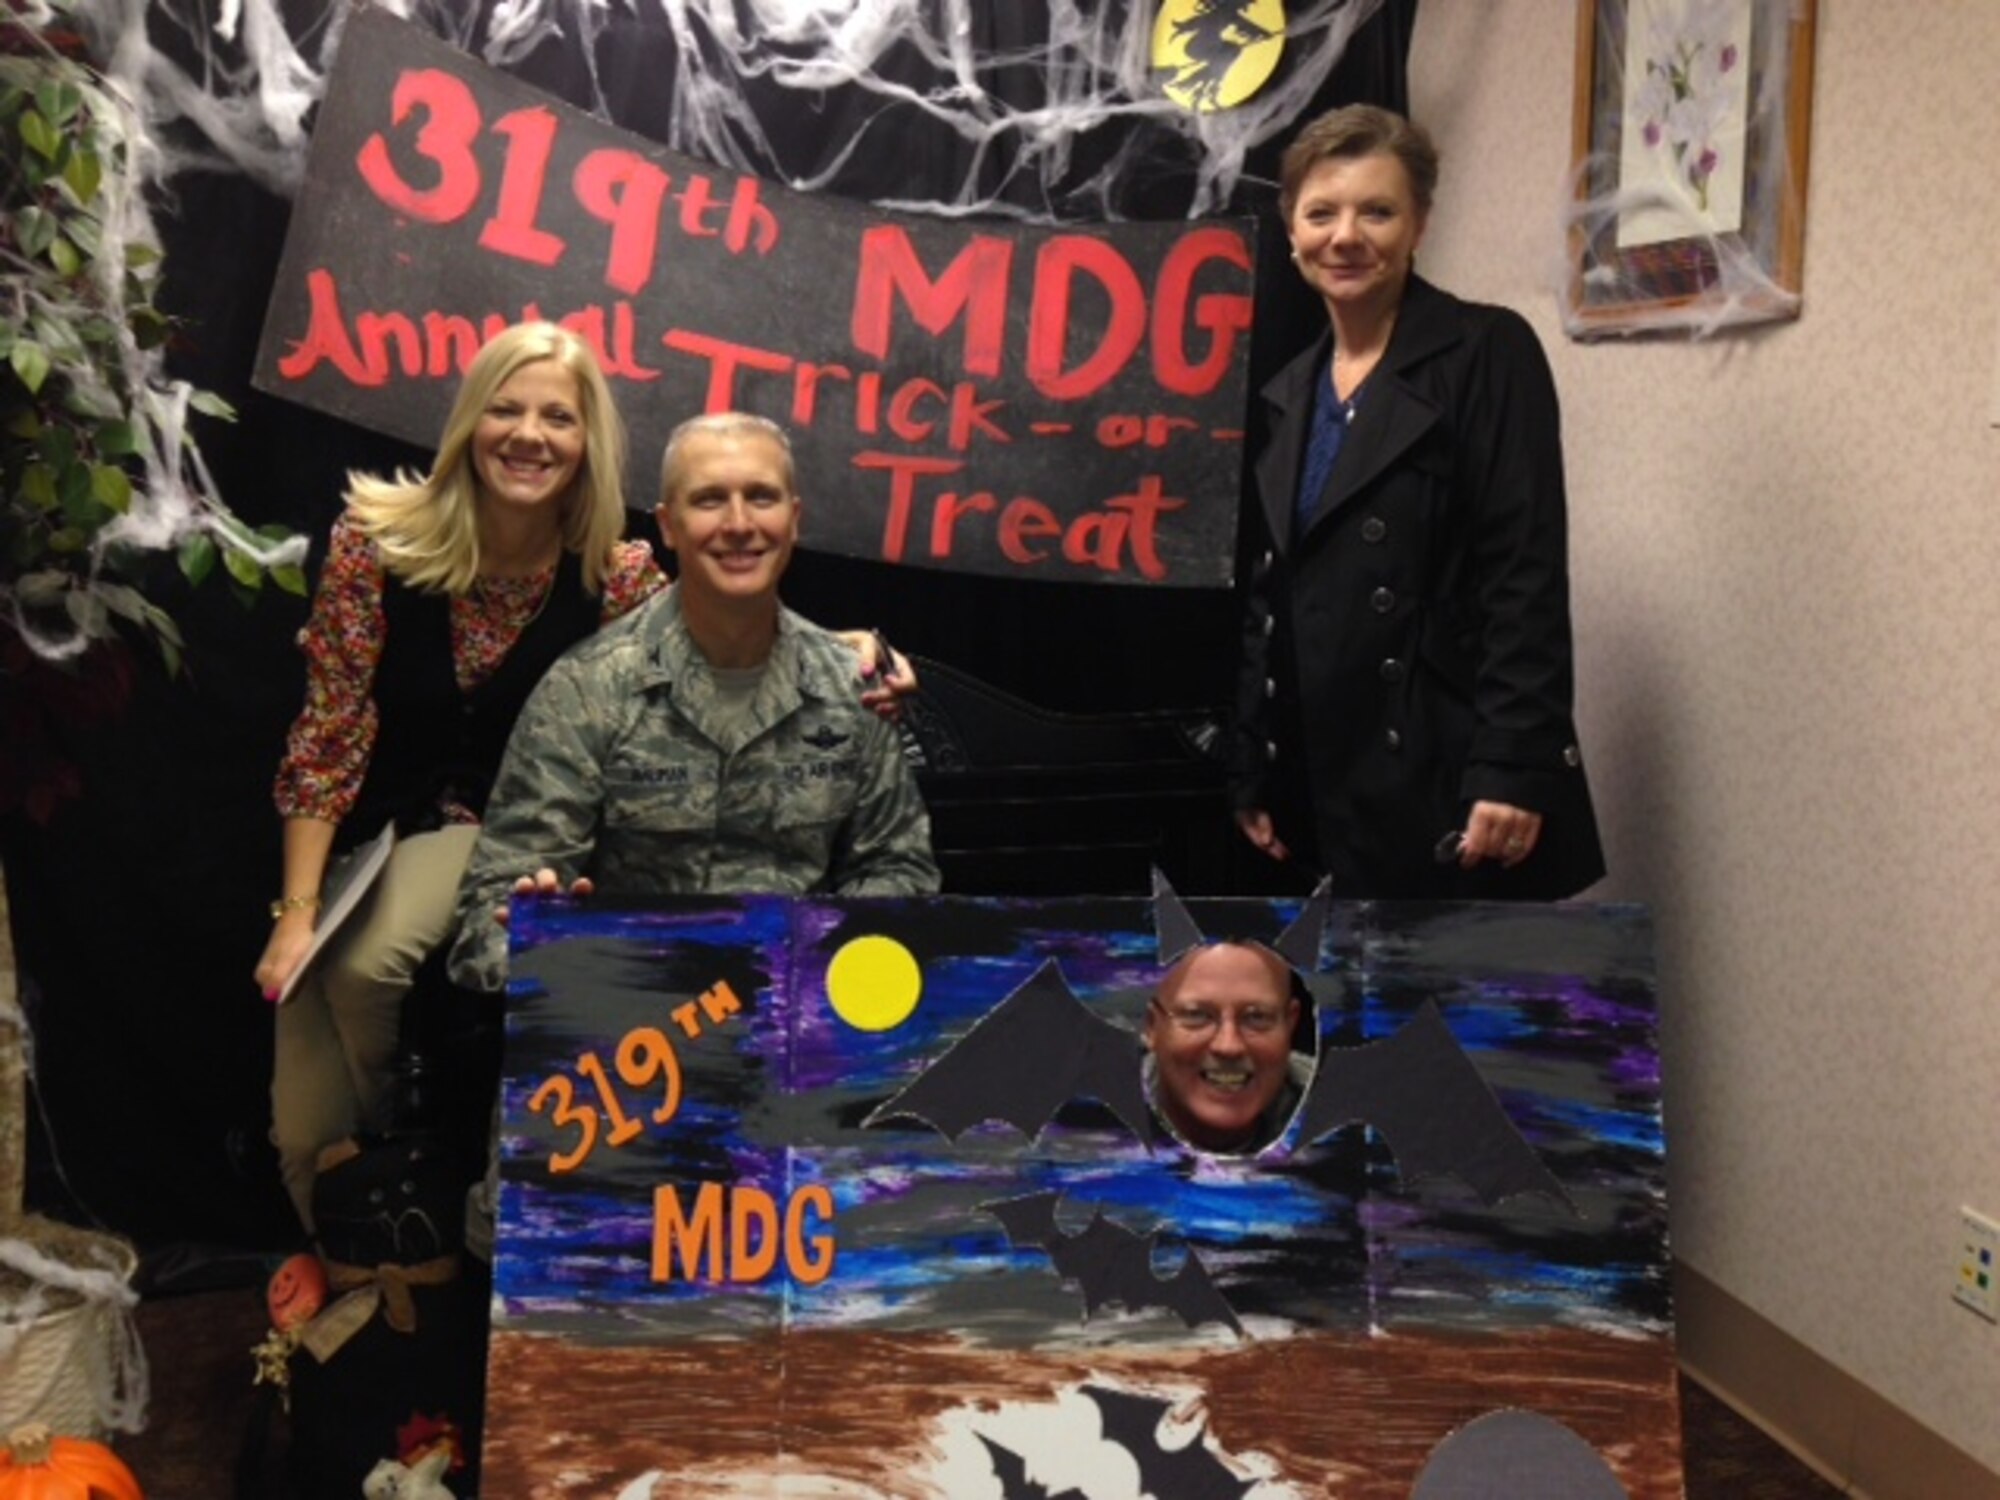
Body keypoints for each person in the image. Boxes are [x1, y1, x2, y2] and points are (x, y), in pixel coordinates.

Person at [255, 327, 906, 1230]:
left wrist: (847, 652)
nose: (530, 435)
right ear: (468, 423)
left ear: (587, 439)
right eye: (506, 409)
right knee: (299, 1095)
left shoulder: (614, 567)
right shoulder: (376, 543)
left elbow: (724, 622)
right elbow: (328, 727)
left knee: (365, 970)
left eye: (557, 416)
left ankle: (383, 1196)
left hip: (497, 830)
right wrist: (294, 916)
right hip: (369, 830)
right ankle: (344, 1256)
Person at [1232, 105, 1603, 900]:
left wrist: (1513, 762)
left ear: (1420, 224)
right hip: (1321, 781)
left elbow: (1524, 573)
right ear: (1291, 229)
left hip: (1447, 772)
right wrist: (1254, 763)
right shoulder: (1289, 391)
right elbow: (1275, 600)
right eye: (1321, 212)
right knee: (1343, 1019)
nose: (1346, 236)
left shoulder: (1487, 352)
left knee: (1459, 1018)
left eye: (1378, 210)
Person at [447, 411, 940, 994]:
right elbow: (491, 909)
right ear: (668, 526)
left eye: (761, 497)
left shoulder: (855, 688)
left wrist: (820, 953)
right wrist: (543, 947)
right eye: (709, 500)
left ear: (794, 518)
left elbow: (899, 870)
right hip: (631, 1021)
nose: (738, 524)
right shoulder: (589, 689)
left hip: (803, 1014)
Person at [1144, 941, 1309, 1154]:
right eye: (1197, 1015)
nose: (1229, 1046)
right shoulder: (1097, 1117)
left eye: (1256, 1017)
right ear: (1152, 1026)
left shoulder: (1337, 1110)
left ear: (1290, 1025)